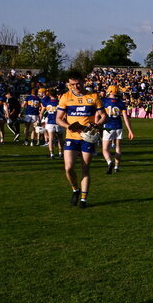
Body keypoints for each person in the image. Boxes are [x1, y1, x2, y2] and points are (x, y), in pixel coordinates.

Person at [56, 71, 106, 208]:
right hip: (71, 137)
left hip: (87, 138)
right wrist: (68, 126)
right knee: (69, 167)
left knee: (85, 168)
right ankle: (75, 189)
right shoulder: (65, 97)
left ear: (83, 82)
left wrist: (97, 124)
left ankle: (84, 199)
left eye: (78, 83)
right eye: (72, 84)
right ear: (69, 84)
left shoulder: (93, 96)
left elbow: (103, 115)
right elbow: (58, 119)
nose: (76, 86)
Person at [100, 86, 135, 174]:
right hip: (119, 126)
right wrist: (130, 130)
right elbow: (126, 118)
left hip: (108, 126)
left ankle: (109, 162)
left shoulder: (104, 101)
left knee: (105, 149)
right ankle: (116, 166)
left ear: (110, 91)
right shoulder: (121, 103)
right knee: (118, 148)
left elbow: (98, 114)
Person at [38, 88, 61, 159]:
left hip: (50, 122)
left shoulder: (47, 102)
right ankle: (61, 152)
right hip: (58, 122)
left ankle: (52, 153)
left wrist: (39, 121)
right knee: (60, 139)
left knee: (50, 138)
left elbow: (41, 113)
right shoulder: (59, 102)